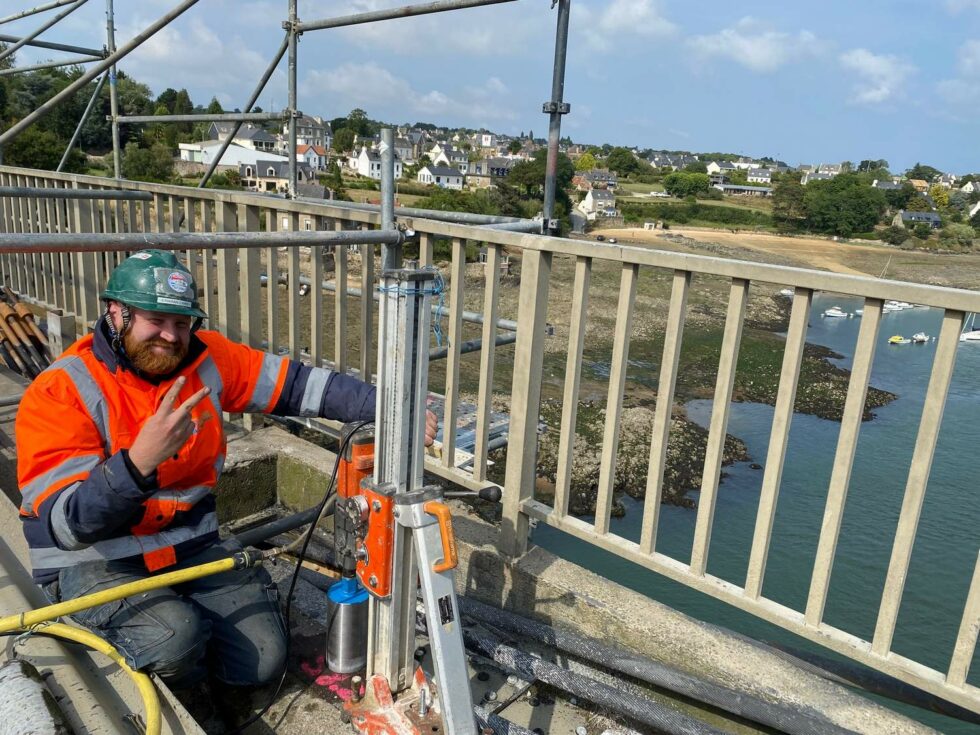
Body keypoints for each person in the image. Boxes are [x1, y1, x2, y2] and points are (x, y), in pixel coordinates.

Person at [15, 249, 436, 695]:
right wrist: (138, 464)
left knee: (263, 661)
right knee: (175, 637)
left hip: (186, 545)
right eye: (155, 320)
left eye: (181, 323)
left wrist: (392, 406)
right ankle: (190, 699)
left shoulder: (207, 357)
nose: (171, 337)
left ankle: (200, 666)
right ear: (116, 313)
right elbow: (67, 525)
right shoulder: (62, 390)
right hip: (94, 561)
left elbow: (297, 385)